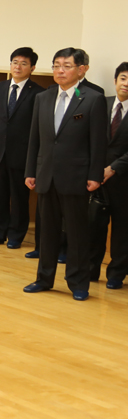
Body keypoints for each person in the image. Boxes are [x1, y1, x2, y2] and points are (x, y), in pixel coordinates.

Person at [23, 47, 107, 301]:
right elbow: (34, 138)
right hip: (46, 174)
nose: (60, 70)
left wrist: (95, 175)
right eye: (56, 65)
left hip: (77, 176)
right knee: (47, 231)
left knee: (77, 233)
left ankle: (78, 283)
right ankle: (44, 278)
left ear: (80, 70)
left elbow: (98, 143)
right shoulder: (43, 97)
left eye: (66, 66)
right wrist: (30, 170)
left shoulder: (92, 99)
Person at [0, 47, 45, 249]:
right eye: (15, 62)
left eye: (24, 63)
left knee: (19, 197)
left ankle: (16, 235)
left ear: (32, 68)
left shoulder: (39, 93)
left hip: (22, 153)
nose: (18, 67)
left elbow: (38, 127)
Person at [88, 63, 128, 289]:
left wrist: (113, 168)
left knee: (122, 230)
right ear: (115, 81)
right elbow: (87, 137)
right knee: (94, 226)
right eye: (123, 78)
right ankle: (90, 270)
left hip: (123, 179)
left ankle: (116, 274)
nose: (126, 83)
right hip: (97, 178)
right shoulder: (101, 103)